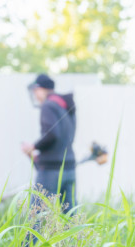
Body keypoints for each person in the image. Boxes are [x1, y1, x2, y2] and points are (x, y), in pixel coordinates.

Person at [21, 74, 77, 215]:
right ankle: (75, 238)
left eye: (35, 90)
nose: (34, 94)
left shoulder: (48, 105)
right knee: (70, 216)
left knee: (37, 216)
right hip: (69, 167)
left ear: (41, 89)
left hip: (51, 170)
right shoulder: (66, 106)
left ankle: (32, 238)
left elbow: (51, 134)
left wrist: (32, 147)